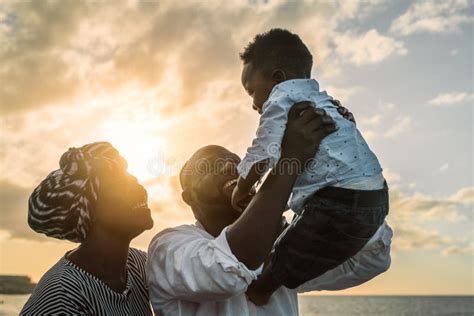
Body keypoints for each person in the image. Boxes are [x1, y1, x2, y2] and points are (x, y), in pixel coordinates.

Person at [147, 103, 393, 315]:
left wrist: (346, 165)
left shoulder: (284, 244)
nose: (231, 167)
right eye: (210, 166)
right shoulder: (169, 246)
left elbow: (369, 260)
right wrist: (290, 159)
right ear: (189, 196)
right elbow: (227, 272)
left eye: (237, 162)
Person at [231, 28, 390, 300]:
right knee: (303, 243)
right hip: (375, 195)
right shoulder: (325, 101)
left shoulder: (280, 98)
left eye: (252, 92)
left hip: (338, 201)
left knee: (289, 252)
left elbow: (263, 151)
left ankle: (259, 291)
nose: (254, 104)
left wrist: (241, 186)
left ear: (278, 79)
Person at [21, 142, 154, 315]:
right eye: (121, 185)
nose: (140, 189)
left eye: (133, 180)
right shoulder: (62, 299)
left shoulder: (138, 264)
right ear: (88, 211)